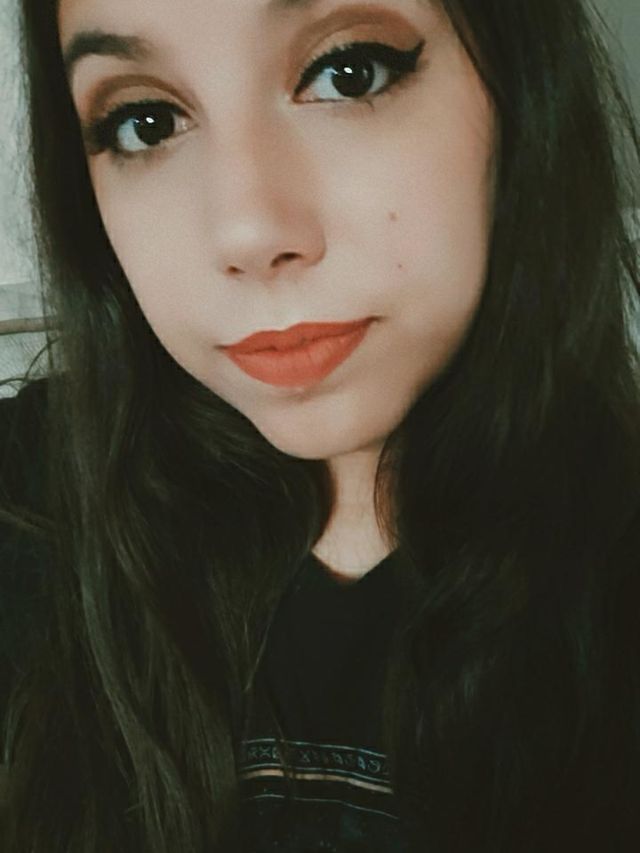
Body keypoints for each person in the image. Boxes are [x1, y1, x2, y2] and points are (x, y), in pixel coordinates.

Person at [1, 0, 639, 850]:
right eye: (146, 122)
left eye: (349, 73)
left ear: (521, 86)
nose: (247, 231)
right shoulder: (26, 510)